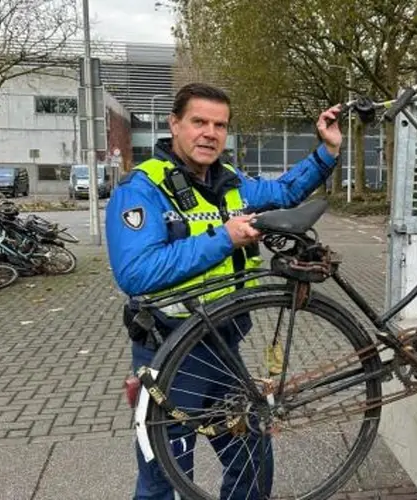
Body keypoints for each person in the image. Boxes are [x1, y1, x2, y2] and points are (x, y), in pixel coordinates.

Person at [105, 82, 342, 500]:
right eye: (198, 122)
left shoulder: (231, 182)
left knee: (252, 455)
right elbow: (136, 273)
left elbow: (283, 192)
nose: (209, 133)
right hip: (168, 353)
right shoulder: (141, 188)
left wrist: (327, 152)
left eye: (219, 125)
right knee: (165, 481)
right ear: (174, 124)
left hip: (223, 349)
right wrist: (224, 238)